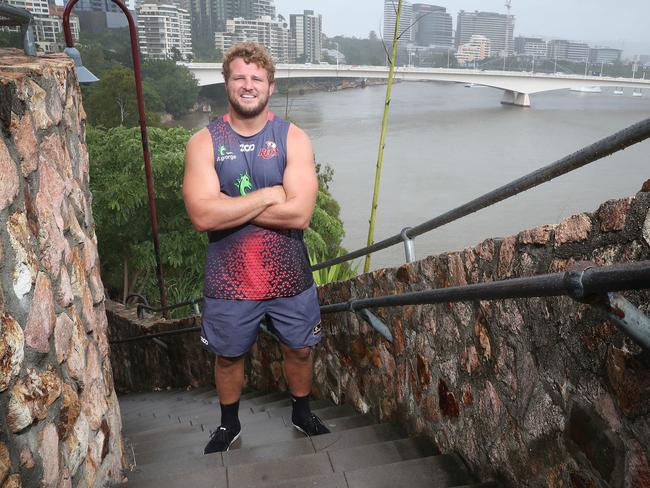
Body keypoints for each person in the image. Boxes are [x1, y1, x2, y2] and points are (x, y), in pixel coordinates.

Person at [182, 42, 330, 454]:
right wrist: (270, 195)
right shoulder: (203, 143)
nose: (248, 86)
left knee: (300, 349)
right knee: (228, 358)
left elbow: (299, 214)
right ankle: (229, 425)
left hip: (289, 275)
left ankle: (302, 413)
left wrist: (228, 207)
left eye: (256, 79)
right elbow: (202, 217)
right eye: (240, 77)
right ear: (227, 83)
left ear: (270, 85)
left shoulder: (293, 137)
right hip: (230, 279)